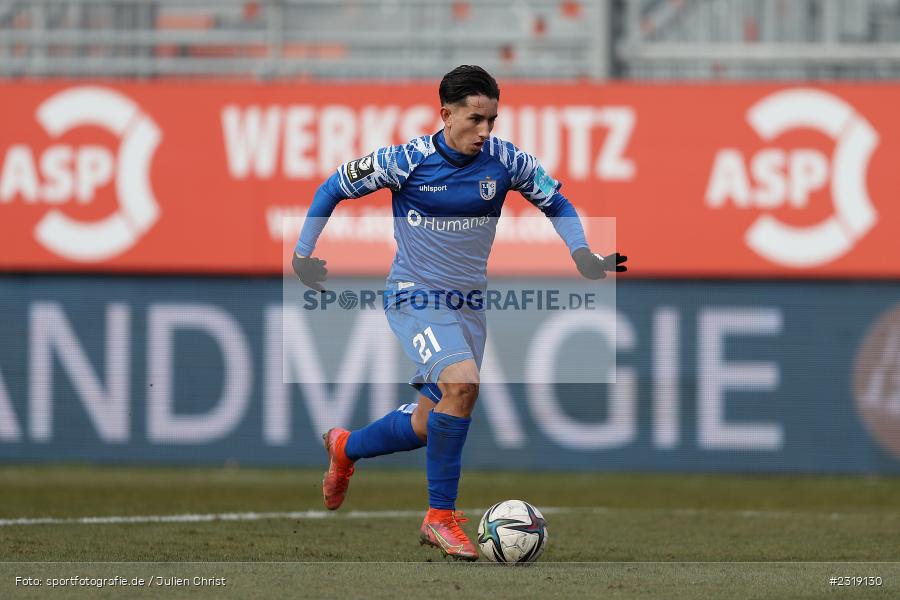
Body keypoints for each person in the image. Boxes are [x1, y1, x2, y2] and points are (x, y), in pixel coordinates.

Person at [292, 65, 627, 561]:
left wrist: (582, 253)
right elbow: (333, 186)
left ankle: (346, 448)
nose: (486, 131)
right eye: (476, 119)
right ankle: (440, 517)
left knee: (432, 421)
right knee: (463, 384)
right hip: (414, 295)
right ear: (445, 114)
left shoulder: (506, 161)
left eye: (493, 119)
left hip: (468, 305)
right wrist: (302, 255)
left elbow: (557, 203)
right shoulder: (405, 161)